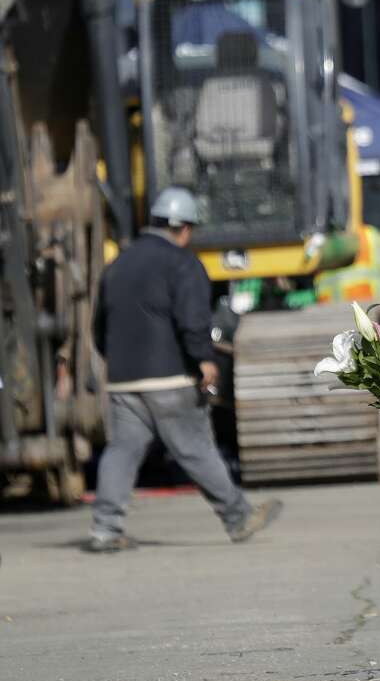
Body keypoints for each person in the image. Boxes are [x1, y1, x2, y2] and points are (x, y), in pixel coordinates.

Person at [89, 186, 282, 552]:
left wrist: (117, 365)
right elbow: (191, 320)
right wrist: (203, 359)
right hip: (170, 378)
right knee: (195, 448)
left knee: (122, 451)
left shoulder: (117, 266)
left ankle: (105, 529)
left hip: (123, 381)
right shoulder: (183, 263)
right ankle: (238, 517)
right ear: (185, 229)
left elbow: (99, 328)